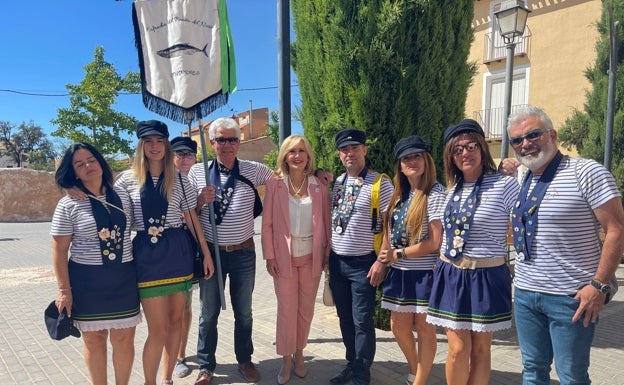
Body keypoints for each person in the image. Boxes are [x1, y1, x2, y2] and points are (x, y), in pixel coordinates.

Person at [502, 105, 624, 385]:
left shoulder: (587, 172)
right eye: (517, 140)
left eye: (533, 135)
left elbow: (617, 229)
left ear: (552, 135)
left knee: (571, 376)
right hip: (524, 294)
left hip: (571, 299)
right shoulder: (523, 176)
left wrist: (599, 286)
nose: (525, 144)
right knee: (532, 370)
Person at [116, 120, 214, 385]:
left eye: (159, 141)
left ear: (166, 145)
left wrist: (205, 253)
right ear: (141, 146)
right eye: (148, 141)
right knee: (156, 329)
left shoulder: (181, 181)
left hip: (178, 253)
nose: (154, 146)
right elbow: (118, 219)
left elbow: (191, 219)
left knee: (176, 321)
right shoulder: (127, 180)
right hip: (146, 256)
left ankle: (167, 378)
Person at [426, 119, 519, 385]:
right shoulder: (449, 189)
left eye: (470, 146)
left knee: (480, 350)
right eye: (457, 149)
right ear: (451, 157)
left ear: (482, 149)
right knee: (457, 350)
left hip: (487, 275)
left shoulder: (505, 185)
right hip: (451, 274)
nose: (465, 153)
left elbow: (528, 219)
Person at [187, 117, 275, 385]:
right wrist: (202, 200)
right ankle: (206, 365)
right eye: (221, 139)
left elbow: (284, 178)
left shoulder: (255, 169)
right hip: (211, 255)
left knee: (244, 312)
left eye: (232, 139)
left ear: (239, 142)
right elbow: (189, 214)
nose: (227, 144)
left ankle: (245, 360)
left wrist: (316, 175)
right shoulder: (197, 173)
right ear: (212, 143)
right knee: (208, 312)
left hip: (243, 254)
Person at [51, 142, 141, 385]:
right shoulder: (68, 204)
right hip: (87, 282)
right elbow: (59, 250)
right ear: (74, 172)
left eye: (91, 159)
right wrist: (63, 291)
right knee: (94, 340)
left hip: (123, 278)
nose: (88, 166)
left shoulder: (122, 194)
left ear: (101, 162)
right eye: (80, 164)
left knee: (125, 339)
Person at [261, 135, 331, 385]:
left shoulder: (319, 186)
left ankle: (299, 355)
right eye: (292, 151)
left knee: (305, 312)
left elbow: (327, 222)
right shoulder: (275, 185)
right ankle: (286, 360)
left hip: (311, 258)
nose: (297, 155)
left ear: (309, 156)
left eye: (302, 151)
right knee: (286, 312)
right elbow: (267, 225)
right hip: (284, 259)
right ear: (285, 156)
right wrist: (269, 256)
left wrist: (327, 254)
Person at [328, 128, 394, 385]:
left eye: (355, 147)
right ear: (339, 154)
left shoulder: (380, 183)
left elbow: (388, 225)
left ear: (365, 150)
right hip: (337, 261)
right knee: (345, 317)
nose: (350, 153)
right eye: (345, 149)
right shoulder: (339, 183)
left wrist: (381, 261)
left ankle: (361, 373)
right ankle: (351, 363)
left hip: (364, 263)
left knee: (362, 321)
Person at [377, 135, 444, 385]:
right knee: (398, 328)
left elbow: (434, 243)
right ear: (400, 165)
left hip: (426, 272)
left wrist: (398, 254)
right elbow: (388, 231)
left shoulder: (435, 193)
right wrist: (385, 258)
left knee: (425, 330)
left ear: (426, 159)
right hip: (399, 272)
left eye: (416, 156)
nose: (411, 161)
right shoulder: (398, 194)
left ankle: (419, 380)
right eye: (406, 158)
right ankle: (416, 368)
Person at [170, 136, 199, 379]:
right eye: (179, 154)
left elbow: (195, 216)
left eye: (189, 154)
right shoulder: (156, 178)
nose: (184, 159)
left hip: (187, 250)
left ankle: (180, 354)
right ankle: (165, 352)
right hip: (157, 252)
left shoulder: (195, 180)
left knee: (185, 306)